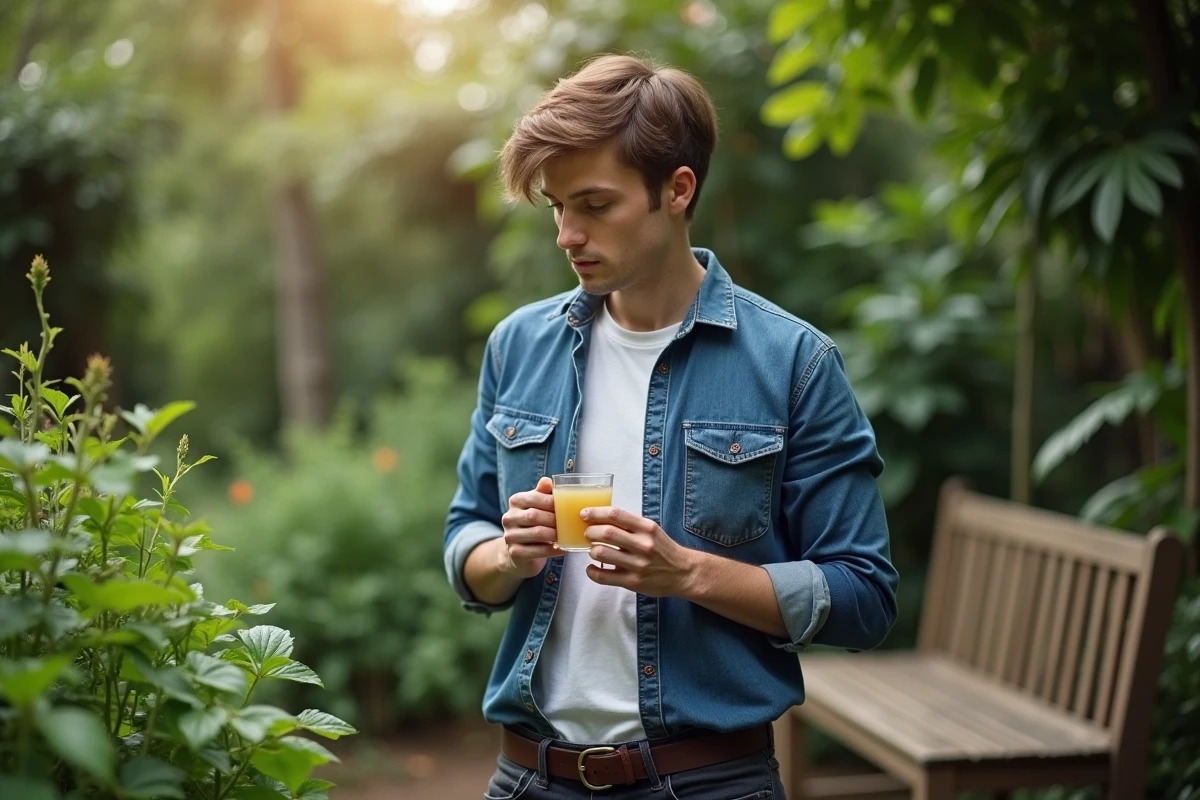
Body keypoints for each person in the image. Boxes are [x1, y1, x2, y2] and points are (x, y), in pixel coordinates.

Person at [443, 53, 898, 800]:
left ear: (678, 190)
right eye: (556, 207)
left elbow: (864, 596)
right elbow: (465, 537)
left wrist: (687, 573)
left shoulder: (794, 362)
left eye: (595, 205)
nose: (567, 235)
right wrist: (508, 555)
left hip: (710, 782)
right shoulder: (518, 346)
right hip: (529, 777)